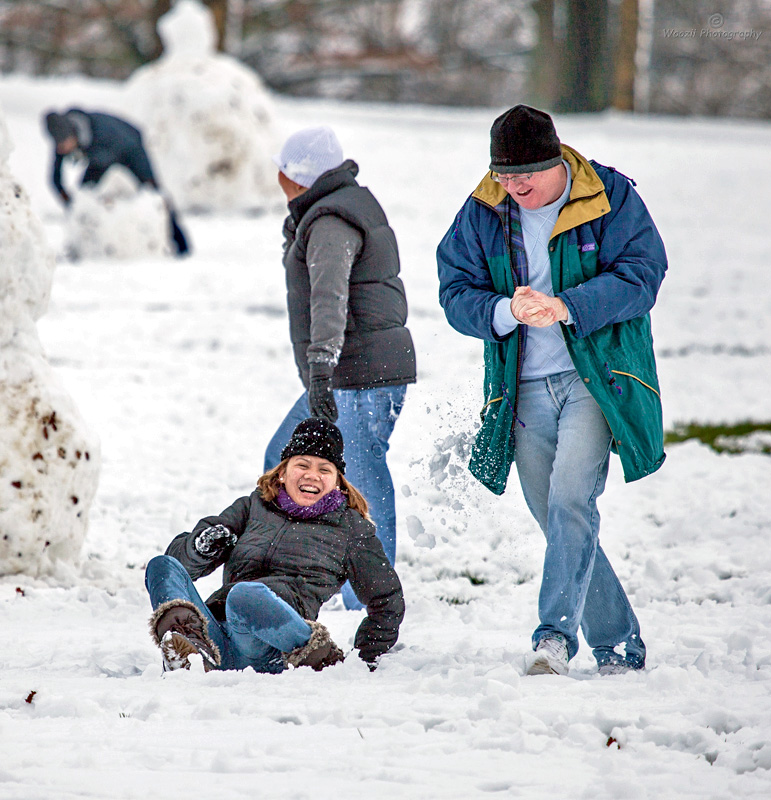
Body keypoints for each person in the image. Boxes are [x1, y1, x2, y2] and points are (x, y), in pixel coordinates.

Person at [437, 104, 668, 677]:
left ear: (555, 161)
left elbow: (645, 272)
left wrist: (570, 305)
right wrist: (500, 309)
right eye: (503, 177)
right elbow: (453, 288)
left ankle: (553, 639)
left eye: (524, 178)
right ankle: (619, 645)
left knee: (571, 499)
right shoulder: (484, 209)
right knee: (559, 516)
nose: (513, 188)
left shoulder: (608, 195)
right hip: (522, 388)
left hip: (596, 379)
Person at [264, 126, 416, 610]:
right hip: (345, 374)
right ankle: (299, 571)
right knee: (281, 460)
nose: (278, 175)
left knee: (363, 484)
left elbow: (331, 298)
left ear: (300, 174)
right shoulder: (331, 209)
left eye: (284, 167)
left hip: (357, 375)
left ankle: (370, 605)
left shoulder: (331, 220)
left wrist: (321, 368)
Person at [146, 417, 404, 673]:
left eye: (324, 469)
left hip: (270, 646)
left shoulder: (350, 529)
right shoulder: (253, 507)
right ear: (282, 472)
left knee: (245, 595)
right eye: (302, 464)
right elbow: (180, 567)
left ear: (337, 481)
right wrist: (201, 547)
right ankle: (192, 653)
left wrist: (364, 657)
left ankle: (319, 656)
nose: (312, 475)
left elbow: (387, 598)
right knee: (162, 566)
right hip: (216, 637)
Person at [43, 108, 190, 256]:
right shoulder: (62, 140)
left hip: (131, 148)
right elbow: (55, 178)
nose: (63, 150)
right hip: (102, 157)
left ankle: (180, 243)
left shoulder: (99, 131)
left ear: (73, 134)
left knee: (155, 193)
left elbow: (108, 160)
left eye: (65, 144)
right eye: (59, 146)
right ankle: (79, 246)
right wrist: (69, 202)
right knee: (83, 198)